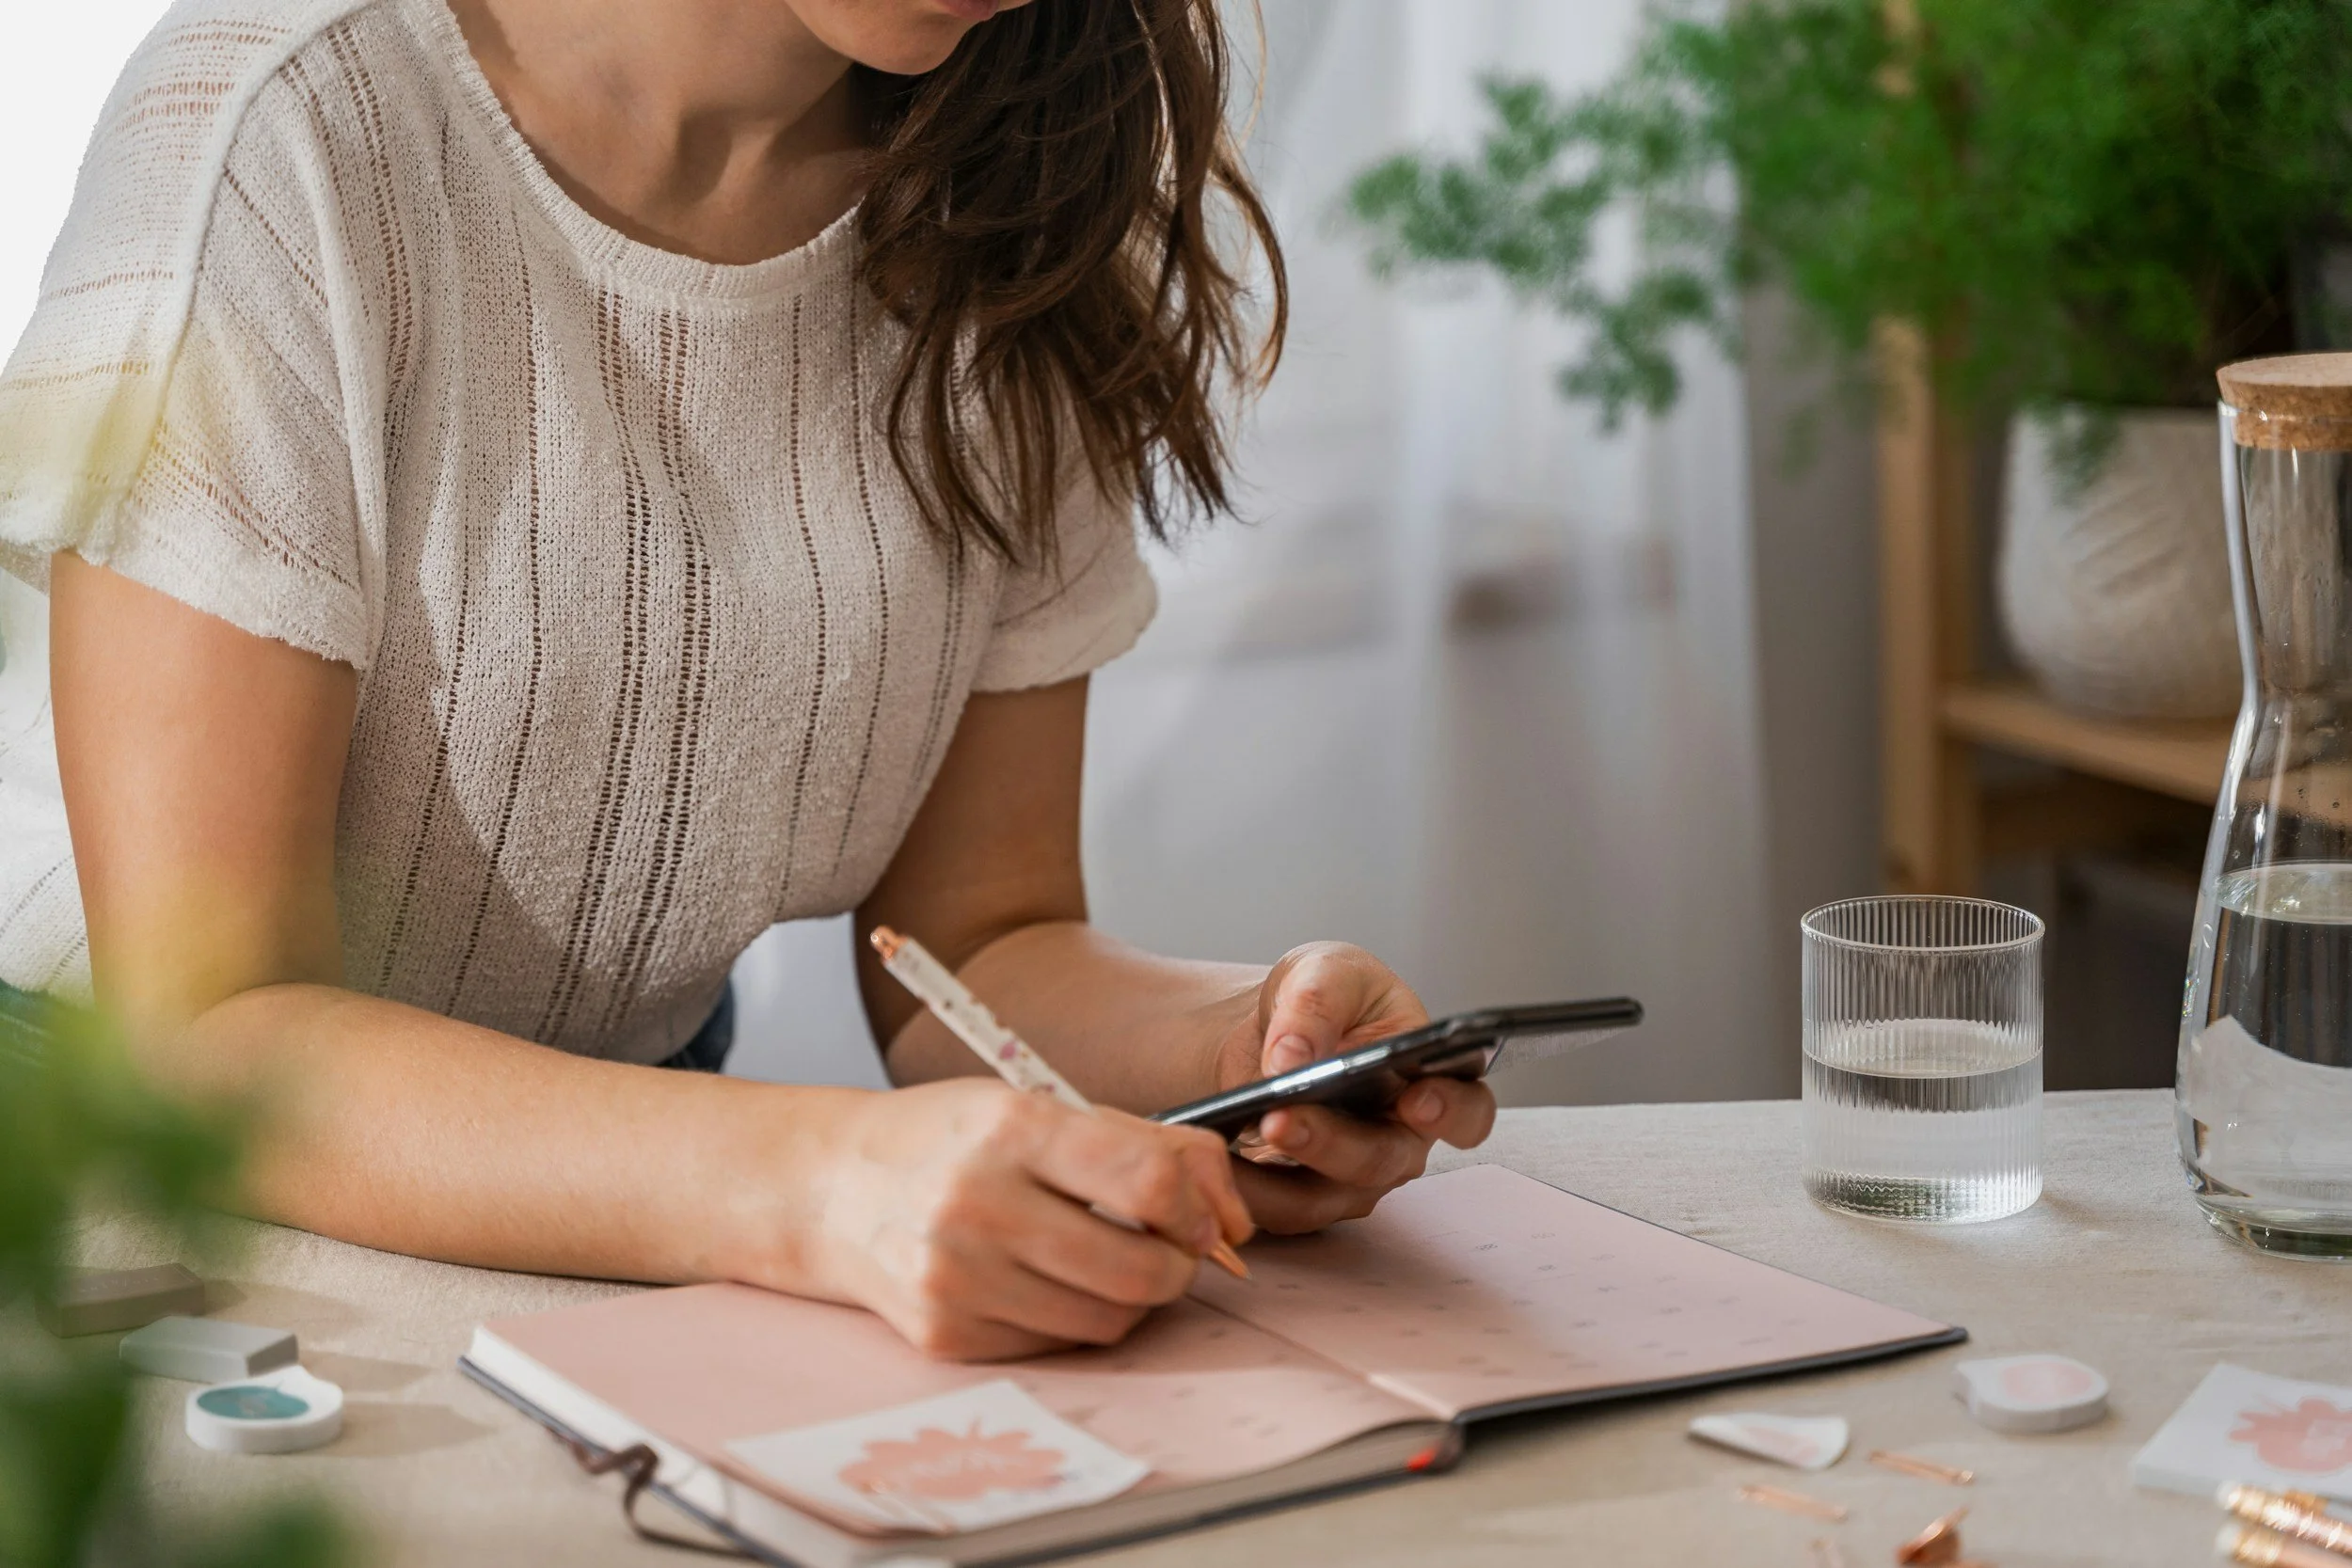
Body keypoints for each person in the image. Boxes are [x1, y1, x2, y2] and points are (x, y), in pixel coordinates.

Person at [0, 0, 1496, 1361]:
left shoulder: (1018, 186)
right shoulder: (285, 130)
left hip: (609, 1223)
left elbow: (982, 938)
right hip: (105, 1195)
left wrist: (1246, 1058)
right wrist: (811, 1179)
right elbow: (207, 1037)